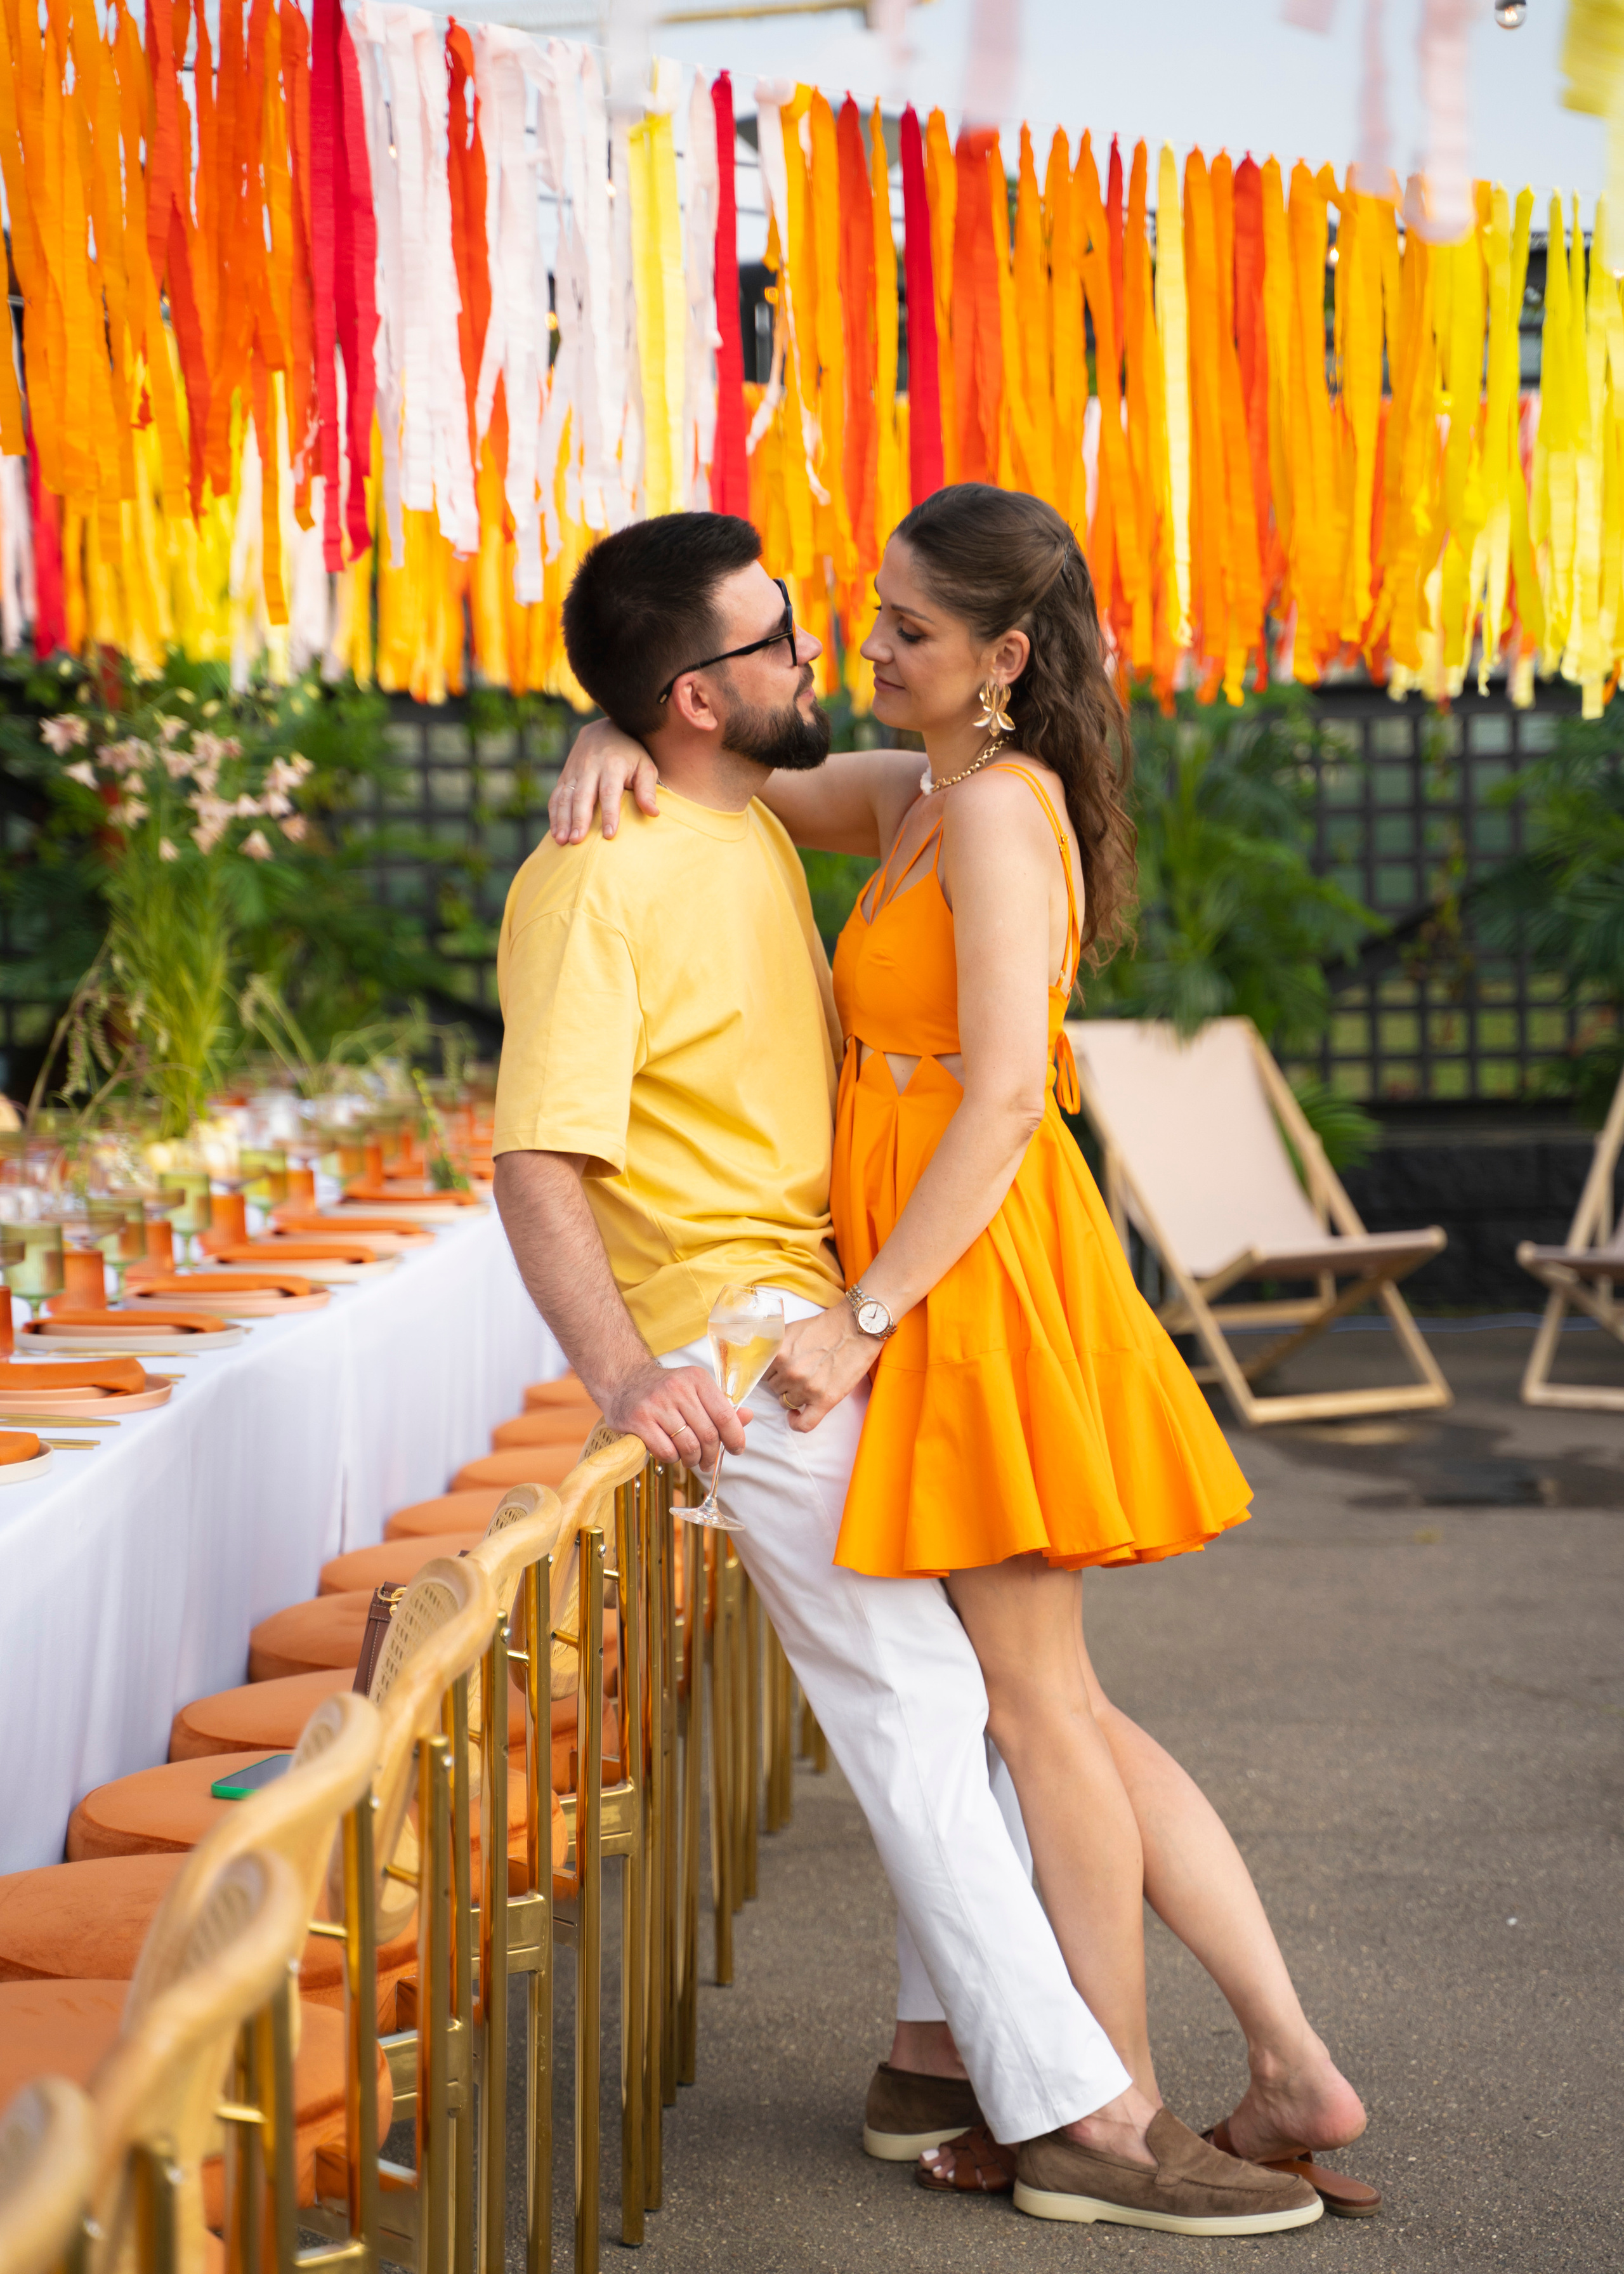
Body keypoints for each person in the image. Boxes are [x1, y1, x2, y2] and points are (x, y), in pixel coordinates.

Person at [542, 494, 1378, 2223]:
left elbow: (1001, 1098)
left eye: (905, 629)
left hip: (956, 1274)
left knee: (1034, 1707)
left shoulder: (993, 812)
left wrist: (858, 1320)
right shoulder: (910, 794)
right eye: (855, 619)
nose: (859, 649)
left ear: (1002, 658)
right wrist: (603, 731)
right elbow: (733, 761)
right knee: (1039, 1702)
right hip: (904, 1271)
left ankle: (1122, 2102)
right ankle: (1186, 2061)